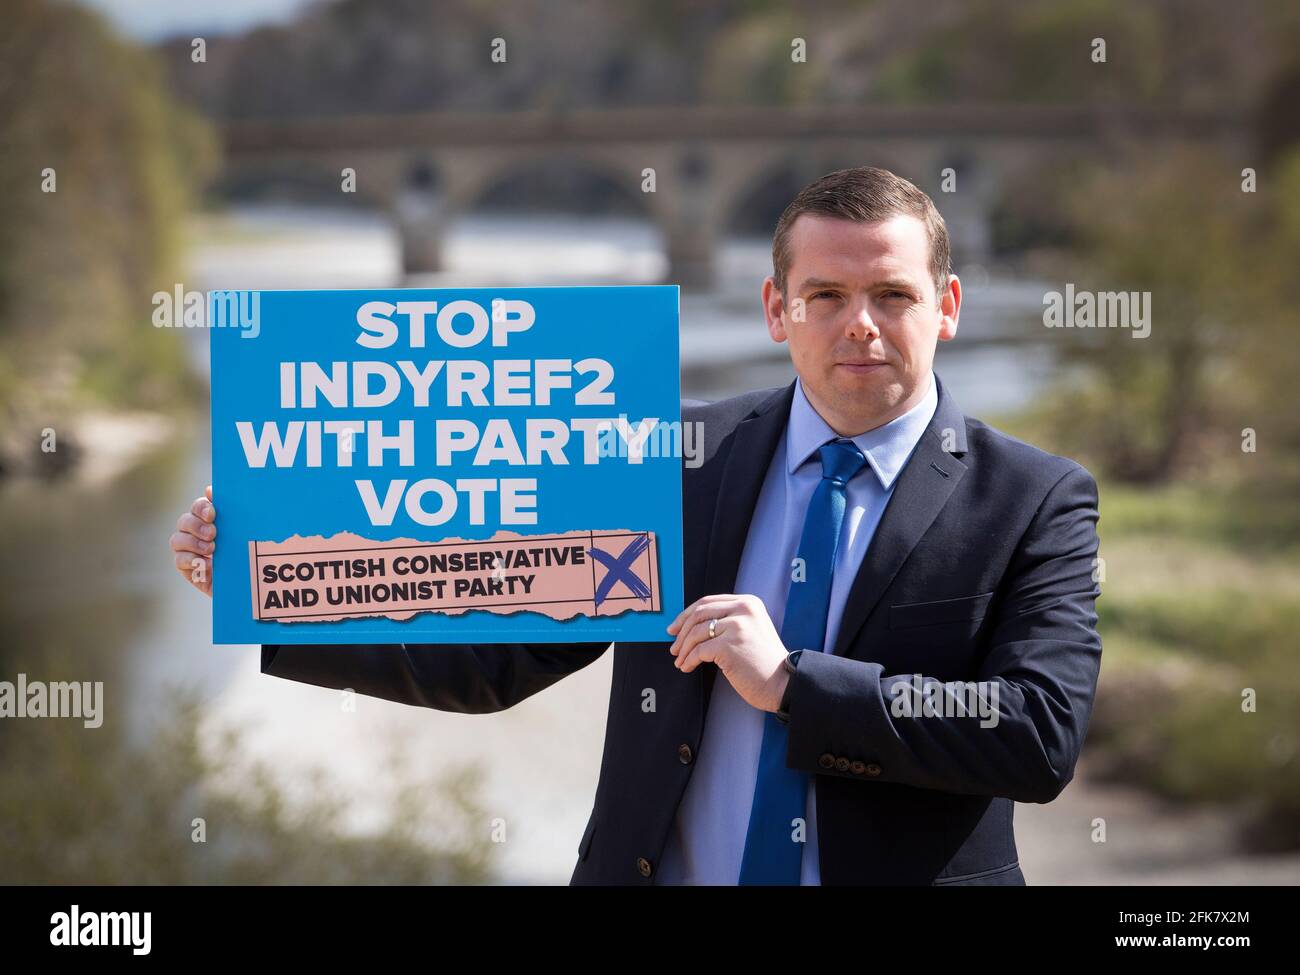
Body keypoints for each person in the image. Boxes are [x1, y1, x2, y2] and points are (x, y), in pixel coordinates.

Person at [170, 166, 1102, 885]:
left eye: (893, 295)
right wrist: (265, 588)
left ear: (945, 307)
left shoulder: (1035, 497)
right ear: (778, 310)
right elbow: (492, 655)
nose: (859, 324)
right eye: (826, 296)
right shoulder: (669, 454)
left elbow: (1037, 731)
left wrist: (795, 685)